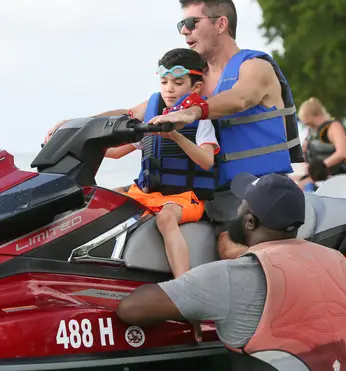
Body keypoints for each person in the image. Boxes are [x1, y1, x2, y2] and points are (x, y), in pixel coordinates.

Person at [44, 0, 304, 259]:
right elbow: (133, 113)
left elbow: (241, 98)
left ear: (221, 24)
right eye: (181, 24)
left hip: (258, 191)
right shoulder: (191, 83)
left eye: (191, 23)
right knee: (102, 207)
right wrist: (75, 125)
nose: (184, 31)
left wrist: (191, 112)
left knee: (228, 249)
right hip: (206, 193)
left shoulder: (254, 66)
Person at [116, 172, 346, 371]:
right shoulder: (337, 262)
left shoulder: (232, 275)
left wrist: (187, 300)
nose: (235, 209)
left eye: (241, 204)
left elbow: (131, 309)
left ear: (249, 220)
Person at [104, 48, 219, 279]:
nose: (169, 88)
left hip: (185, 198)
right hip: (149, 194)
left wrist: (175, 135)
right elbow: (116, 153)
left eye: (177, 82)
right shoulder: (153, 117)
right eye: (164, 81)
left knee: (166, 218)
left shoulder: (201, 121)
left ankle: (183, 282)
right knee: (104, 199)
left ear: (195, 87)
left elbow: (207, 161)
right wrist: (84, 144)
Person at [292, 97, 346, 191]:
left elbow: (342, 153)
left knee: (297, 190)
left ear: (318, 115)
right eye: (307, 124)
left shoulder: (333, 127)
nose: (309, 127)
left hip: (333, 175)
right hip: (316, 176)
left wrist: (322, 165)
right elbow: (303, 153)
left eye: (310, 124)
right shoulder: (311, 131)